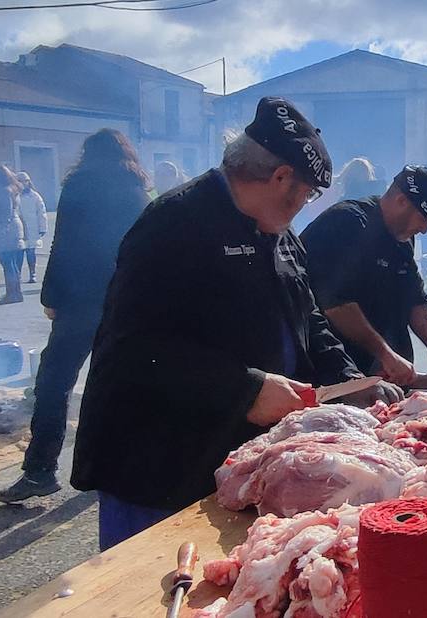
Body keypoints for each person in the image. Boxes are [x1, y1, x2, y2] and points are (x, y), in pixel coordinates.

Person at [70, 98, 402, 549]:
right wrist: (244, 390)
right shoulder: (175, 223)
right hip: (157, 464)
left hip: (234, 457)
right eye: (306, 194)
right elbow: (134, 349)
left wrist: (348, 382)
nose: (304, 207)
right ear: (281, 177)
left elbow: (310, 321)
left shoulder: (279, 235)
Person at [0, 129, 151, 504]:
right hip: (122, 302)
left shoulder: (79, 185)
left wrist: (51, 296)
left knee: (53, 383)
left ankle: (40, 470)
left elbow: (62, 243)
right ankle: (118, 466)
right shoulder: (138, 191)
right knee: (117, 384)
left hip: (81, 301)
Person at [301, 165, 427, 387]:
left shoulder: (402, 238)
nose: (424, 230)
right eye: (423, 219)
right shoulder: (346, 223)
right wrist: (386, 355)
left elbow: (415, 299)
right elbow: (337, 304)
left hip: (390, 376)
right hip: (342, 374)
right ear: (401, 201)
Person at [0, 165, 27, 305]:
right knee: (12, 263)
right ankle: (15, 292)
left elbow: (5, 211)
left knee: (7, 261)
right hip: (15, 225)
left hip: (7, 228)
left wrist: (1, 227)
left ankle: (13, 293)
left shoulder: (2, 191)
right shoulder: (13, 189)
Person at [15, 172, 50, 284]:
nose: (23, 183)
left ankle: (32, 273)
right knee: (19, 253)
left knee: (31, 252)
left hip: (32, 228)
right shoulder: (15, 195)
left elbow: (41, 212)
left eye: (25, 181)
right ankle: (17, 275)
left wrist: (42, 227)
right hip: (19, 229)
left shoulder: (35, 196)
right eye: (19, 181)